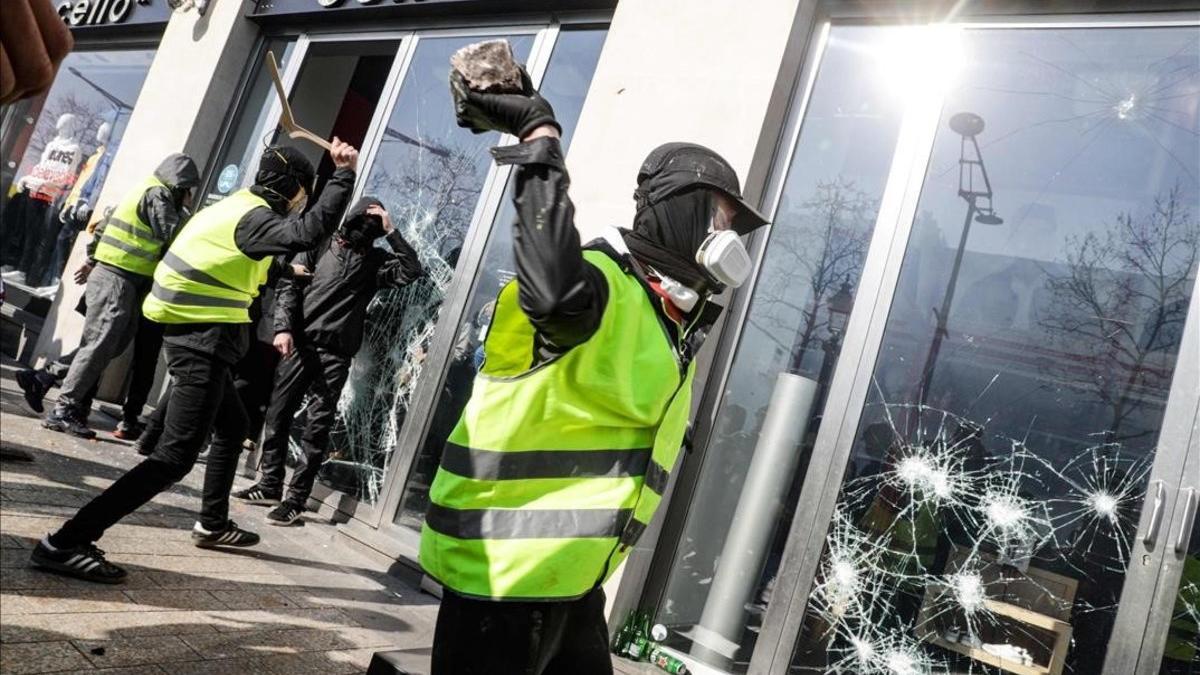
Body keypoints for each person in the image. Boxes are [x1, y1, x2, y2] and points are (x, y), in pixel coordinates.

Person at [419, 68, 768, 674]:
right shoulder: (600, 281)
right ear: (682, 209)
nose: (728, 235)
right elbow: (552, 294)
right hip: (503, 577)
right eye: (722, 217)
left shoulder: (666, 311)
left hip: (570, 581)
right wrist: (539, 140)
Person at [29, 140, 360, 583]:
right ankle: (65, 542)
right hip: (201, 342)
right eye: (304, 191)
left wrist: (285, 272)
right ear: (292, 188)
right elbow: (305, 234)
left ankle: (213, 523)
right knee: (174, 458)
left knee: (234, 427)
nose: (303, 201)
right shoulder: (257, 217)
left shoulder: (236, 209)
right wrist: (343, 175)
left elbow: (233, 259)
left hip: (200, 336)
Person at [234, 197, 424, 525]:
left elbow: (412, 269)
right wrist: (283, 328)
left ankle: (295, 499)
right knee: (277, 416)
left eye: (373, 229)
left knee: (316, 429)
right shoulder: (321, 245)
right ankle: (269, 484)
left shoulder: (376, 261)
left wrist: (392, 231)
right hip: (299, 344)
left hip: (335, 355)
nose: (362, 234)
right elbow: (289, 286)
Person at [42, 153, 199, 439]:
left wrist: (91, 260)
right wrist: (190, 217)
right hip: (117, 276)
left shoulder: (147, 188)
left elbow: (105, 227)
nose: (190, 196)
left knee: (110, 345)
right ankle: (62, 409)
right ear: (181, 187)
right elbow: (172, 234)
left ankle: (51, 372)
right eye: (189, 192)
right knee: (101, 343)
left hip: (123, 279)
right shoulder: (158, 194)